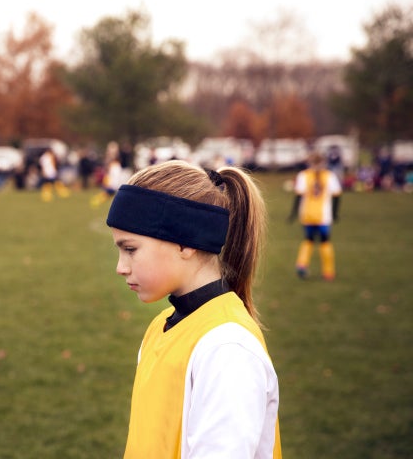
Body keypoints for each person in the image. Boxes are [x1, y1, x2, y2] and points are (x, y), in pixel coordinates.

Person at [106, 160, 282, 458]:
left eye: (131, 249)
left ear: (185, 243)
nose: (120, 267)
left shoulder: (226, 349)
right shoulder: (162, 327)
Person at [288, 151, 342, 281]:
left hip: (307, 215)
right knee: (325, 241)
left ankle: (302, 264)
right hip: (323, 216)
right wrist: (334, 213)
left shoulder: (303, 176)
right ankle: (328, 272)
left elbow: (298, 197)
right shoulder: (330, 176)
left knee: (308, 240)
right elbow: (337, 195)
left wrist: (293, 213)